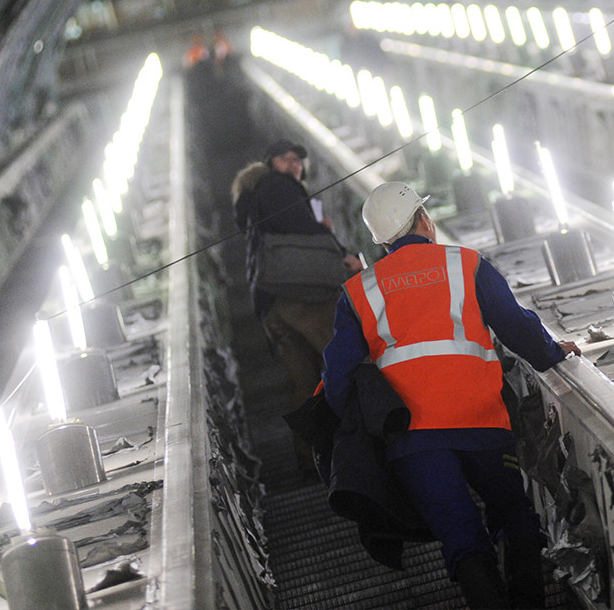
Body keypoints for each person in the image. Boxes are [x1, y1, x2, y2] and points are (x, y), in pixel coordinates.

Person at [323, 182, 581, 609]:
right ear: (424, 221)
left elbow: (337, 376)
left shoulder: (359, 291)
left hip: (412, 438)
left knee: (459, 534)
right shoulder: (466, 264)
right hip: (480, 419)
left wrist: (361, 428)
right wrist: (553, 352)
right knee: (514, 516)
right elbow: (516, 327)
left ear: (383, 240)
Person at [233, 140, 361, 436]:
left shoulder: (253, 196)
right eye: (285, 159)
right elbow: (301, 229)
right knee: (343, 363)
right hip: (305, 295)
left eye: (297, 161)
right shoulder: (278, 186)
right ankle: (359, 438)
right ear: (270, 163)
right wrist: (332, 240)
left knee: (303, 382)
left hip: (271, 303)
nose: (293, 165)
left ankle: (312, 452)